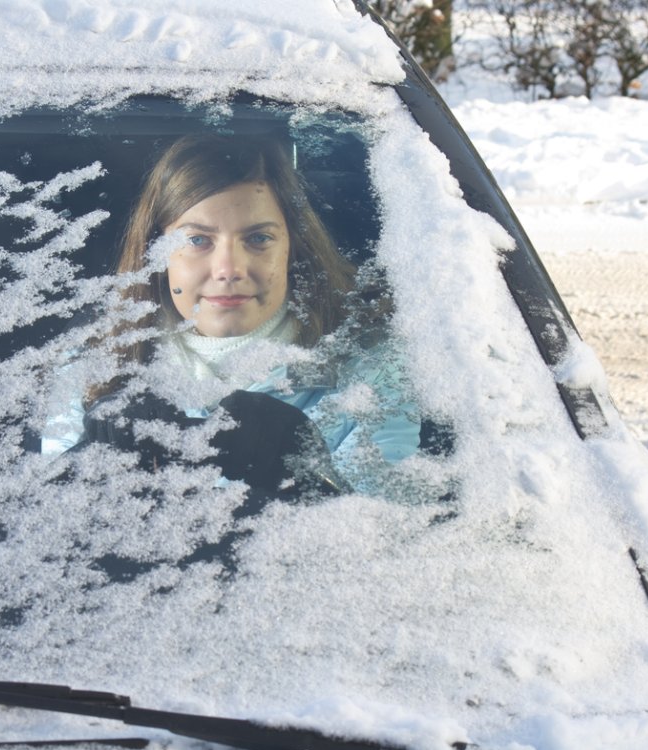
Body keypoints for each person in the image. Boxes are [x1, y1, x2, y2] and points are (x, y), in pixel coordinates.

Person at [42, 134, 421, 503]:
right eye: (196, 240)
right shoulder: (94, 363)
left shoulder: (371, 368)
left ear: (293, 247)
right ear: (154, 252)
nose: (228, 269)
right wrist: (88, 469)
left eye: (258, 239)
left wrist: (312, 482)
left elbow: (397, 540)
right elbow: (44, 537)